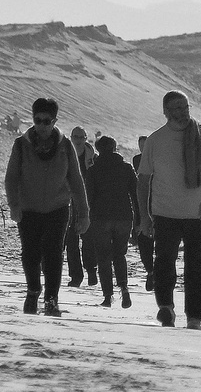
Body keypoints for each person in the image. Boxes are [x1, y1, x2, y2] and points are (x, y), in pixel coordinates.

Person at [138, 89, 201, 330]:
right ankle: (166, 307)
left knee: (197, 266)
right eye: (176, 108)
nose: (182, 113)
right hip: (165, 212)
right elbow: (143, 180)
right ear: (165, 112)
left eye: (185, 107)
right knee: (164, 262)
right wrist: (144, 216)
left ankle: (195, 317)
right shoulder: (155, 140)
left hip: (197, 213)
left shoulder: (200, 136)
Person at [3, 97, 89, 318]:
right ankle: (33, 290)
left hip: (58, 208)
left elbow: (76, 180)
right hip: (28, 208)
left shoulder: (65, 145)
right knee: (30, 253)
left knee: (53, 254)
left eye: (46, 121)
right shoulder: (21, 145)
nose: (41, 126)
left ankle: (51, 299)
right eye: (37, 120)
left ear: (55, 121)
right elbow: (11, 177)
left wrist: (84, 214)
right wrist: (13, 205)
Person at [84, 134, 139, 307]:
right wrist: (138, 218)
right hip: (123, 217)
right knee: (119, 255)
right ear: (115, 148)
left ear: (98, 150)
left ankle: (108, 296)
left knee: (103, 258)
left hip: (100, 218)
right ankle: (124, 288)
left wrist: (84, 217)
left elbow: (88, 197)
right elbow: (135, 195)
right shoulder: (126, 168)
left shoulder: (94, 170)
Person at [65, 127, 97, 287]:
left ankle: (91, 271)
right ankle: (76, 276)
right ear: (71, 137)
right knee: (71, 241)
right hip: (68, 203)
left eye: (80, 137)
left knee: (88, 239)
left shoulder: (92, 157)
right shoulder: (64, 155)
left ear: (85, 138)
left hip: (88, 203)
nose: (77, 140)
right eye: (75, 137)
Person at [132, 136, 155, 292]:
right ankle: (150, 271)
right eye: (141, 146)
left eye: (145, 145)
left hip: (159, 203)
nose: (143, 148)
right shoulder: (137, 159)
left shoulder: (158, 159)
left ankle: (156, 272)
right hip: (141, 202)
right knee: (144, 242)